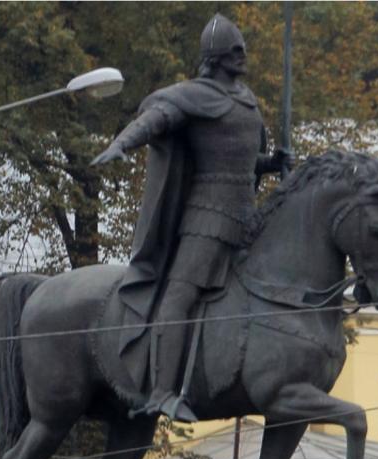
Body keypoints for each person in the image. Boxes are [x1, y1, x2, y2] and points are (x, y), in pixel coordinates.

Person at [92, 13, 289, 421]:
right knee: (179, 297)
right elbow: (157, 119)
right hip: (206, 219)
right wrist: (121, 144)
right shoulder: (195, 96)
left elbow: (240, 162)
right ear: (215, 56)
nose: (243, 56)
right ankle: (162, 391)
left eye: (243, 49)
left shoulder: (246, 100)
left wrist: (270, 164)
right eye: (235, 51)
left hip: (247, 217)